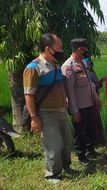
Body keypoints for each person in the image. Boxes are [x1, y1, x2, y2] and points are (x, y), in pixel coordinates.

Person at [23, 33, 74, 183]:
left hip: (61, 111)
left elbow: (59, 86)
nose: (62, 50)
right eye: (59, 47)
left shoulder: (56, 65)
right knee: (53, 146)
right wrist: (34, 118)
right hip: (46, 114)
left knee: (66, 142)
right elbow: (29, 95)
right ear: (48, 49)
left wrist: (65, 100)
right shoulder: (33, 68)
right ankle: (51, 174)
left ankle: (66, 166)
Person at [61, 38, 101, 164]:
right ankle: (81, 155)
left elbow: (90, 84)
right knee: (80, 132)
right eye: (86, 49)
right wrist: (74, 111)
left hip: (89, 103)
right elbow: (70, 91)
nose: (87, 51)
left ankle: (91, 150)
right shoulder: (68, 66)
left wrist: (96, 99)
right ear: (80, 49)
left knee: (90, 129)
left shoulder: (82, 63)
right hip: (79, 107)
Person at [83, 56, 106, 146]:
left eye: (90, 64)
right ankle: (95, 143)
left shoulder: (92, 73)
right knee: (92, 124)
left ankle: (99, 142)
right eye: (87, 64)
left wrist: (102, 81)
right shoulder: (84, 75)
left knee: (97, 123)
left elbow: (96, 86)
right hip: (89, 102)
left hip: (95, 102)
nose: (89, 66)